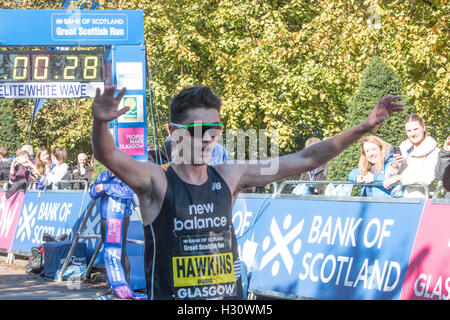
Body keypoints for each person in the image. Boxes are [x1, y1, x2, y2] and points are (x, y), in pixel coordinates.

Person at [91, 85, 403, 300]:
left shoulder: (230, 175)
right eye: (197, 130)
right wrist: (100, 123)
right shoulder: (155, 181)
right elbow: (109, 155)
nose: (207, 138)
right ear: (173, 133)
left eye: (214, 130)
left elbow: (307, 158)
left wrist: (364, 127)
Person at [89, 169, 134, 295]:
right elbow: (93, 192)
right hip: (105, 218)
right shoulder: (104, 174)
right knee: (109, 252)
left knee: (120, 252)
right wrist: (99, 187)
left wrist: (106, 187)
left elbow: (128, 192)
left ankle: (124, 286)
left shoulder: (125, 173)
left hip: (120, 218)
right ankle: (113, 286)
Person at [385, 114, 439, 198]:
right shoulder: (403, 148)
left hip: (421, 200)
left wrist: (400, 178)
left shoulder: (434, 151)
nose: (413, 134)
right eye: (409, 131)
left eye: (416, 129)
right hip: (399, 199)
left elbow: (427, 177)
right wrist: (394, 165)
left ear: (424, 127)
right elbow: (390, 178)